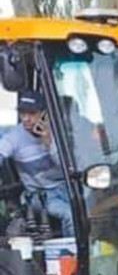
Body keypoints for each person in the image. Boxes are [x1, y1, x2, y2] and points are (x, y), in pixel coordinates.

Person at [0, 89, 74, 235]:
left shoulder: (60, 131)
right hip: (40, 196)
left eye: (32, 114)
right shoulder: (14, 137)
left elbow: (69, 167)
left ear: (44, 114)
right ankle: (73, 254)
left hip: (68, 189)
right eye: (22, 113)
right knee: (70, 215)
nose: (26, 119)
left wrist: (50, 143)